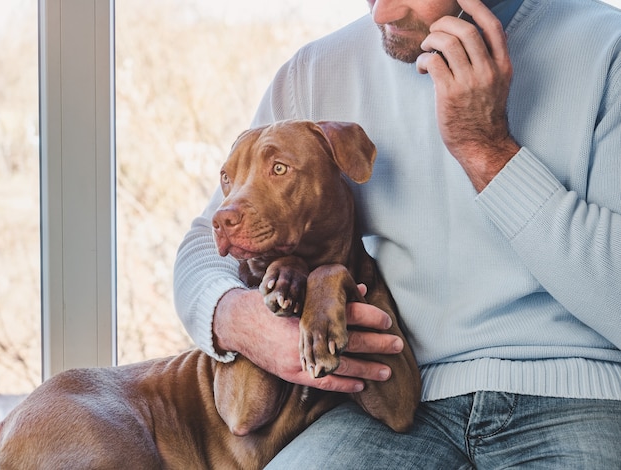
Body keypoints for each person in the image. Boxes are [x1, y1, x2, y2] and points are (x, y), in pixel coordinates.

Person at [173, 0, 621, 467]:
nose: (381, 13)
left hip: (585, 395)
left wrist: (486, 148)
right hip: (391, 402)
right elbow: (208, 245)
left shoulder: (608, 50)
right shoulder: (316, 72)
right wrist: (236, 318)